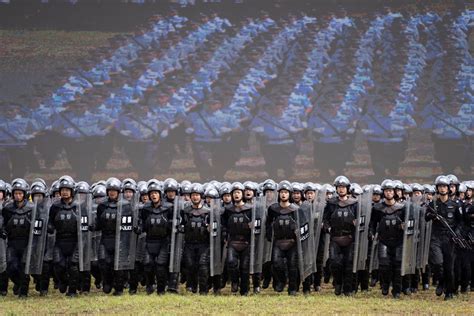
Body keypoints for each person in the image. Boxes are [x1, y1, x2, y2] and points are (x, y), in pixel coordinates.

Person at [323, 176, 358, 296]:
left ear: (347, 189)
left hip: (350, 238)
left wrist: (357, 223)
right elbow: (325, 219)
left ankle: (347, 289)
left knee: (348, 264)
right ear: (336, 189)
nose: (341, 189)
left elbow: (361, 220)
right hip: (335, 238)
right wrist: (328, 228)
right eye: (339, 187)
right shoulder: (331, 203)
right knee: (334, 262)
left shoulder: (354, 203)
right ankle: (337, 284)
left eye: (343, 187)